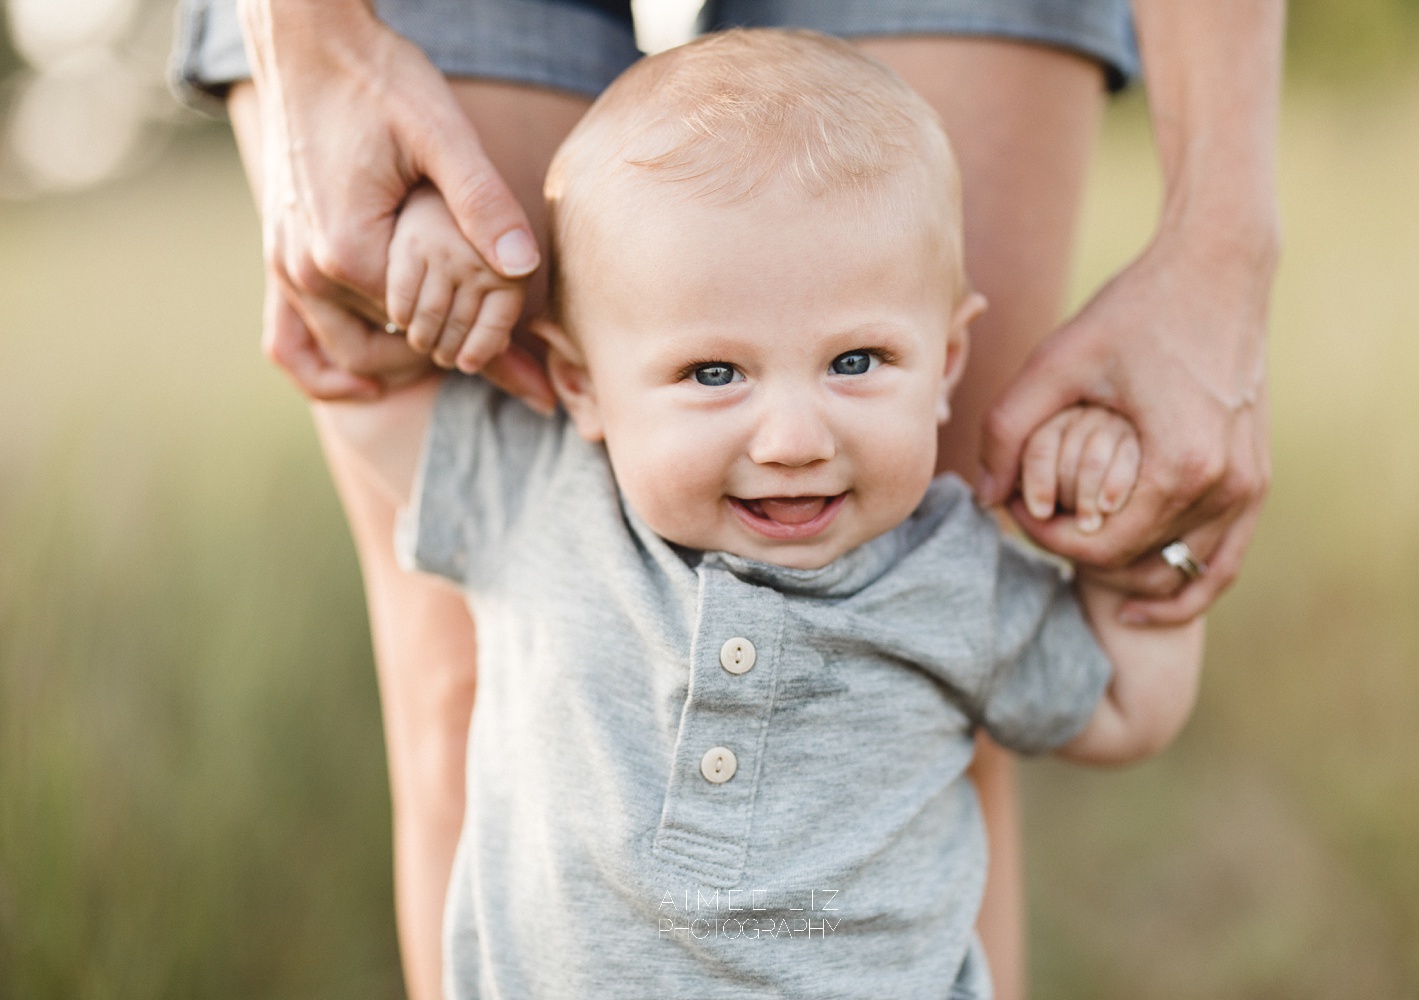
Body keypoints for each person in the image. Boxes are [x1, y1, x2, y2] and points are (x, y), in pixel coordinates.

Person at [172, 1, 1282, 996]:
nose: (796, 439)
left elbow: (1127, 708)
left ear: (948, 359)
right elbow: (370, 386)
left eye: (857, 362)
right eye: (714, 374)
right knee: (444, 683)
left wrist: (1120, 531)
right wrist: (422, 270)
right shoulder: (539, 498)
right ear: (577, 384)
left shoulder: (952, 571)